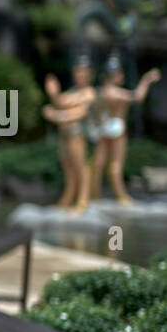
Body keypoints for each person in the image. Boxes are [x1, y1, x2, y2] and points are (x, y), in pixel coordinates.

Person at [88, 54, 161, 204]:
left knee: (99, 162)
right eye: (119, 73)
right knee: (115, 165)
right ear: (113, 75)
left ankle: (94, 195)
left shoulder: (101, 92)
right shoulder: (117, 93)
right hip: (117, 129)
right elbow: (137, 97)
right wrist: (147, 79)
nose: (122, 76)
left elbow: (94, 111)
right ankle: (121, 196)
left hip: (103, 128)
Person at [41, 57, 97, 214]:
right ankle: (68, 197)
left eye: (83, 72)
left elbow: (79, 113)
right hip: (65, 135)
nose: (79, 75)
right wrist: (53, 93)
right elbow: (61, 102)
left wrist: (57, 115)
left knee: (80, 166)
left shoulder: (89, 93)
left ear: (90, 75)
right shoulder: (73, 92)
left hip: (77, 135)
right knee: (68, 168)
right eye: (77, 72)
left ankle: (83, 200)